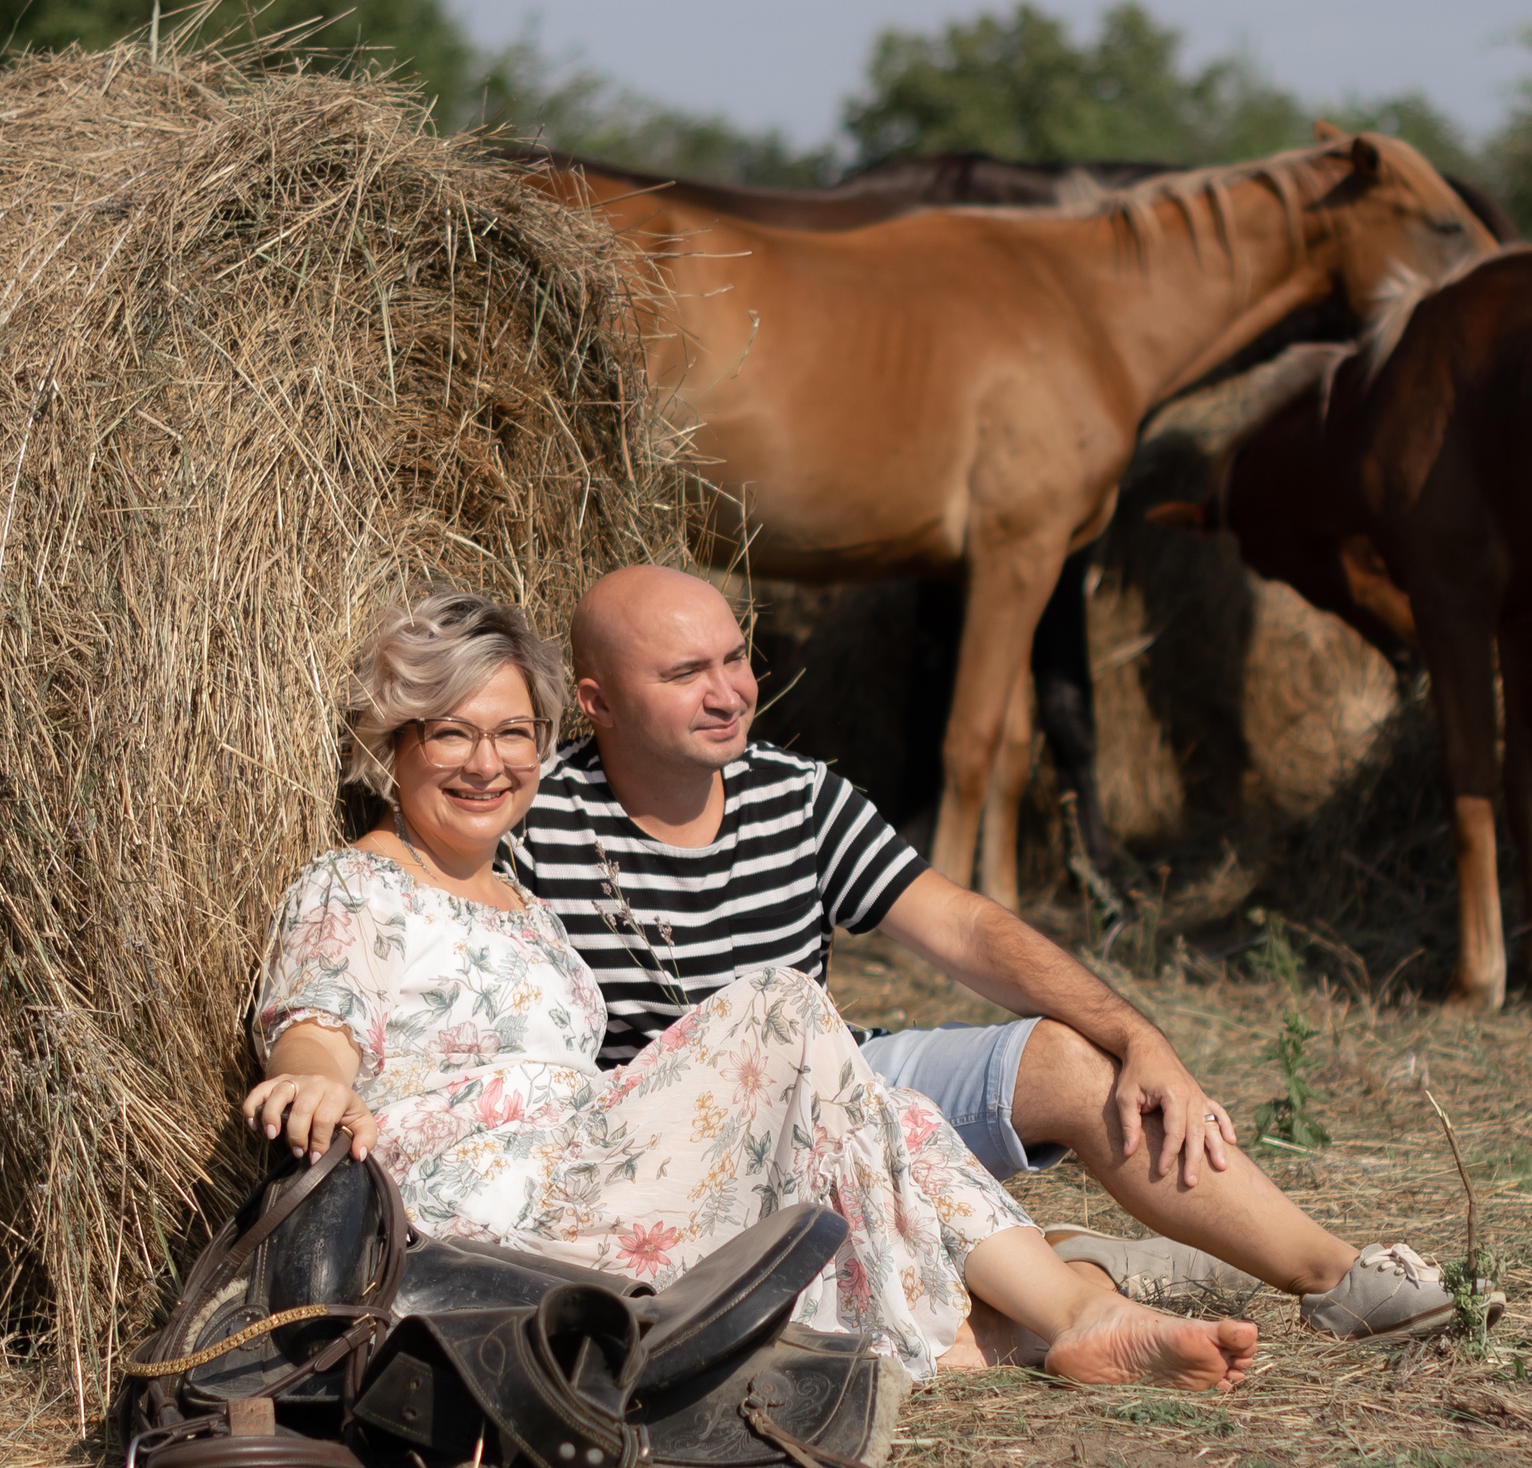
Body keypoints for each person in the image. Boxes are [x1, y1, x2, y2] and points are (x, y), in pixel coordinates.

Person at [240, 589, 1259, 1389]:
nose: (487, 763)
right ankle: (1032, 1317)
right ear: (393, 747)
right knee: (781, 1005)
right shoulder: (356, 883)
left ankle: (1076, 1323)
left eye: (513, 735)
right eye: (449, 734)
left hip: (592, 1174)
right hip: (478, 1208)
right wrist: (314, 1078)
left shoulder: (526, 902)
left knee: (880, 1108)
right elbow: (316, 1020)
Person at [508, 564, 1482, 1345]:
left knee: (1068, 1060)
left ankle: (1335, 1277)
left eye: (735, 658)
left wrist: (1140, 1038)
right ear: (595, 700)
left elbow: (965, 928)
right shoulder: (528, 822)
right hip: (661, 1147)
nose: (729, 694)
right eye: (686, 675)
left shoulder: (798, 797)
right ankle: (1074, 1270)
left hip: (831, 1088)